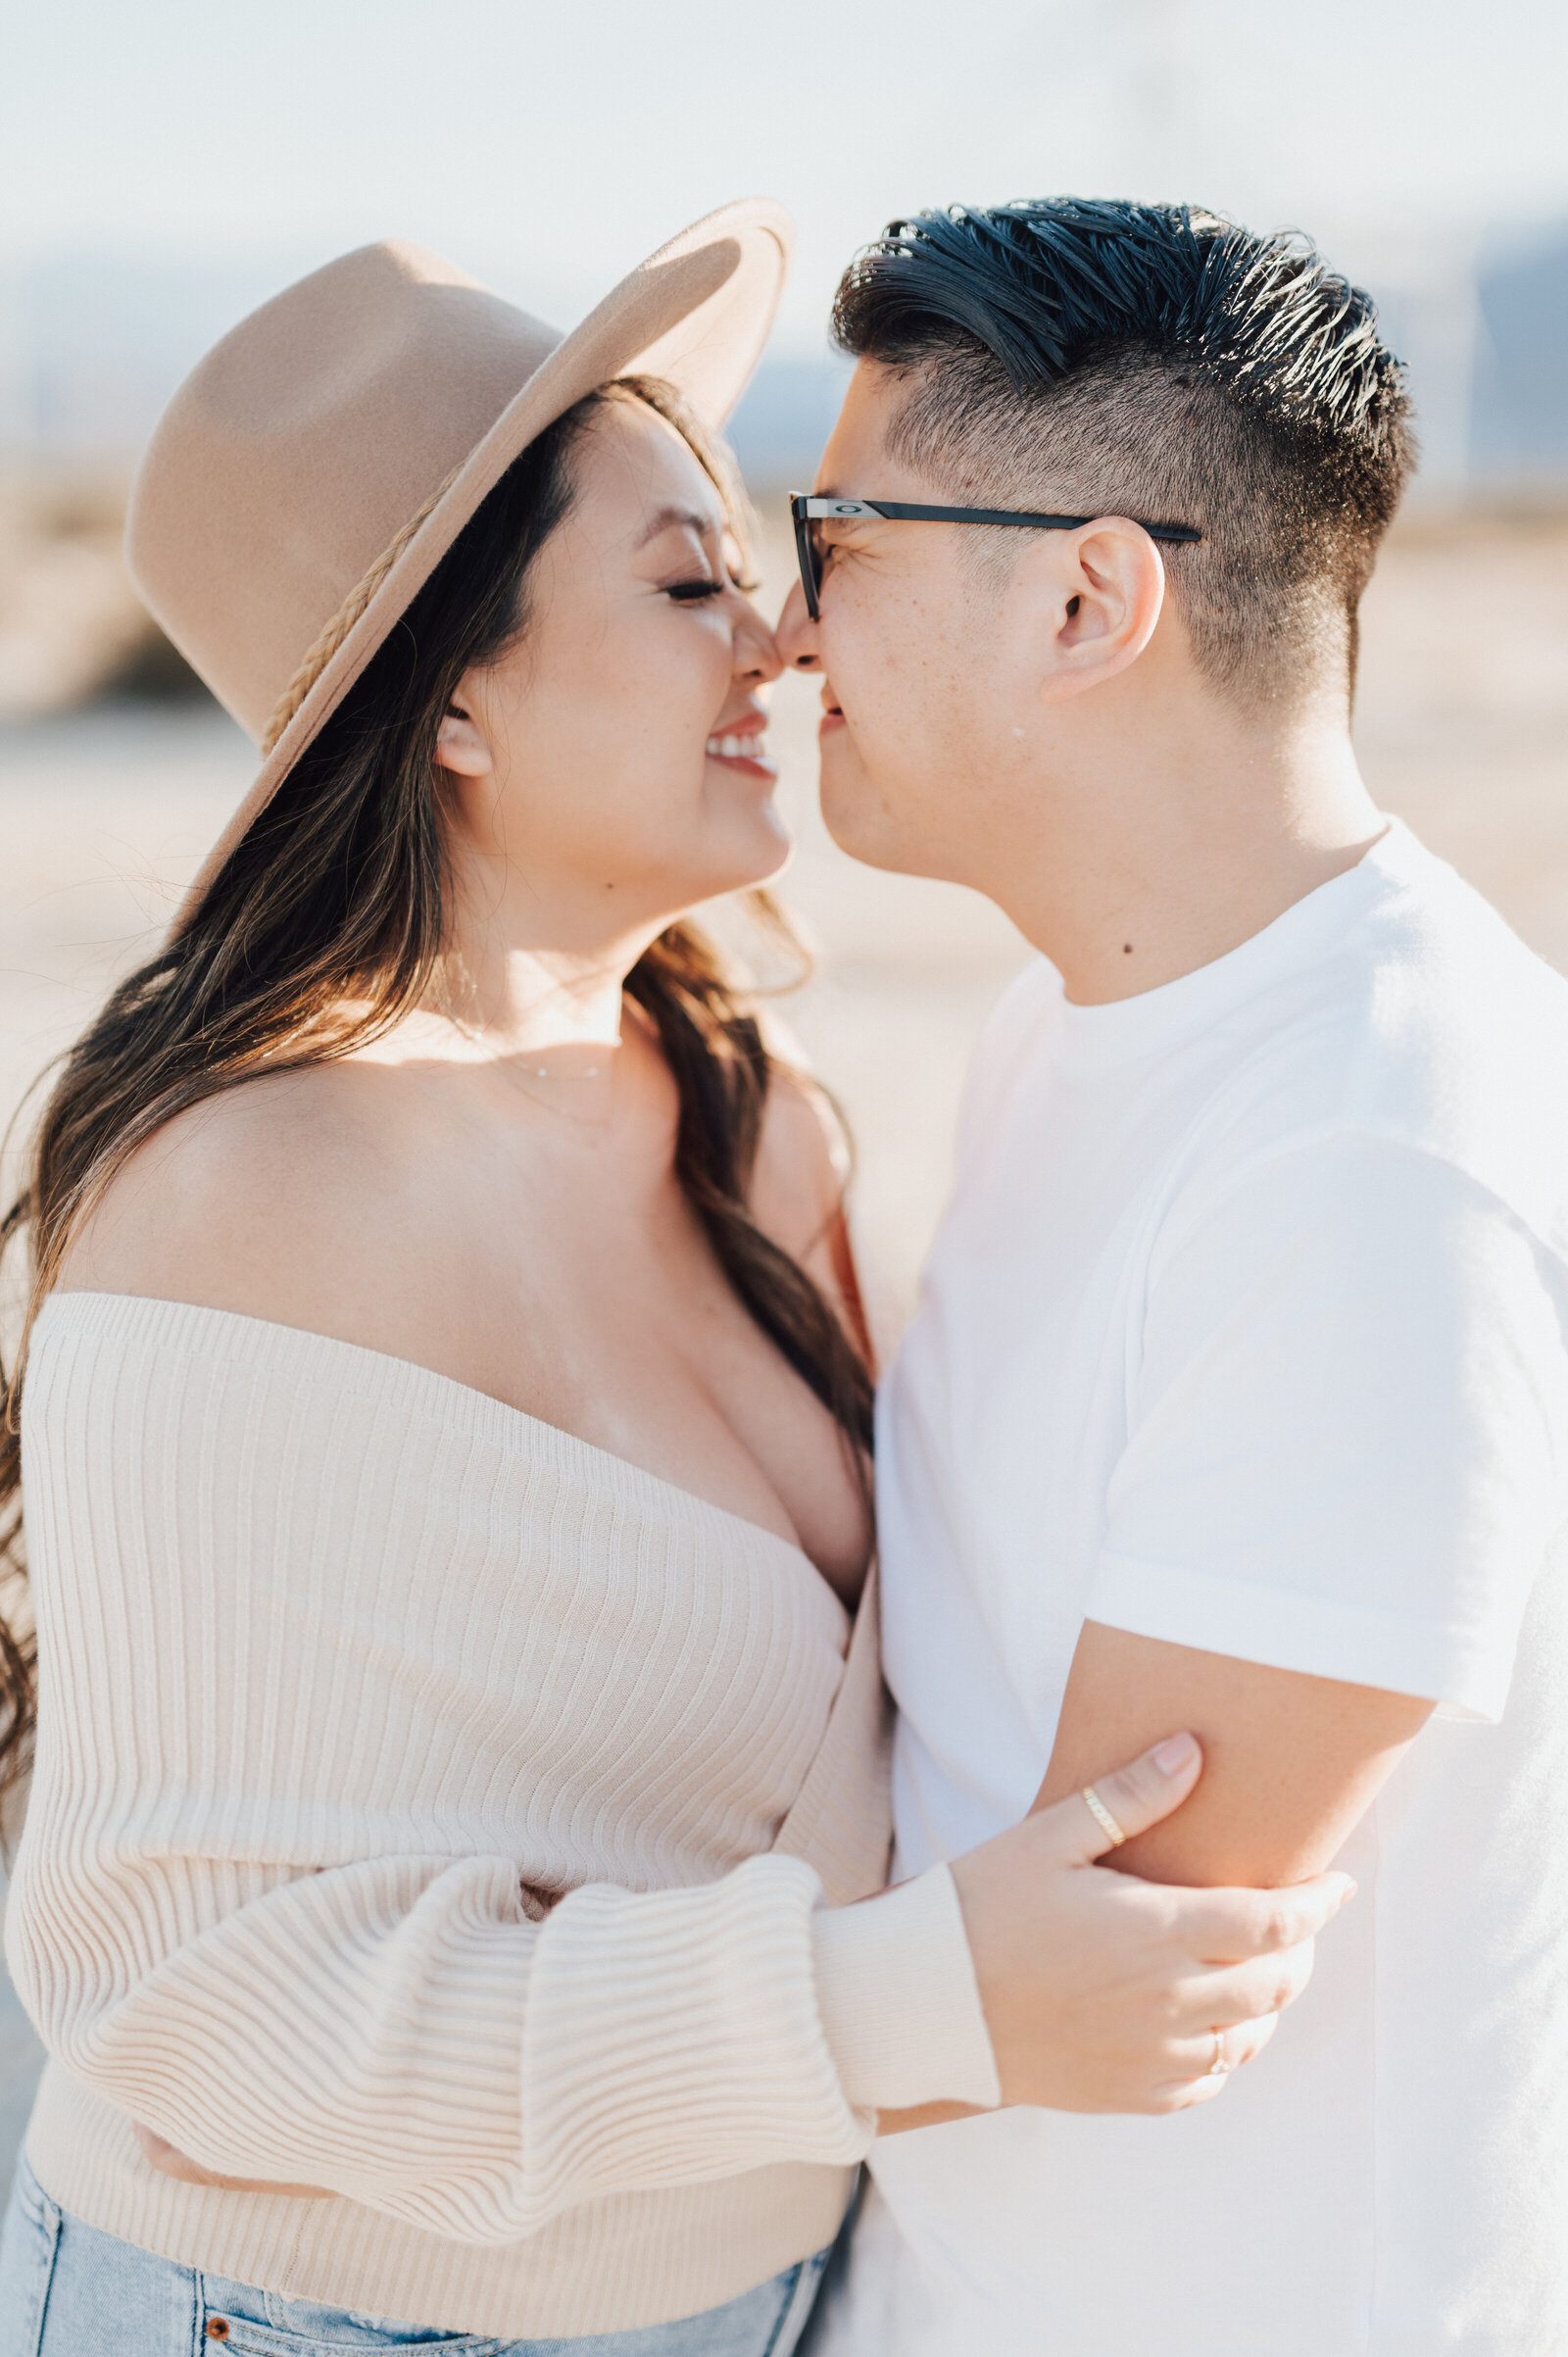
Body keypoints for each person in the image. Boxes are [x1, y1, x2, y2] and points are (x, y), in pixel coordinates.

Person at [0, 207, 1344, 2357]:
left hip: (756, 2301)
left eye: (758, 568)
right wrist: (915, 2001)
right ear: (448, 700)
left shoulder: (745, 1102)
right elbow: (192, 2008)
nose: (783, 640)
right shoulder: (248, 1194)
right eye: (683, 580)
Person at [778, 195, 1568, 2357]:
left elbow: (1106, 1972)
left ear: (1085, 599)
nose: (783, 628)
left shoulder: (1372, 1154)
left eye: (833, 535)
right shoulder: (1085, 1018)